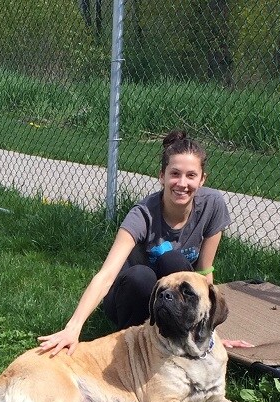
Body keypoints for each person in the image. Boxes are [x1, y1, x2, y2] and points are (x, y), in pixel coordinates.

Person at [38, 130, 250, 357]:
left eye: (191, 175)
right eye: (175, 174)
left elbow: (203, 275)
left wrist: (212, 336)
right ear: (162, 176)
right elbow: (106, 275)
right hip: (131, 293)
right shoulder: (142, 214)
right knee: (142, 277)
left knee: (173, 260)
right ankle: (131, 347)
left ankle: (179, 334)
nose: (182, 183)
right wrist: (73, 328)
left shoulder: (213, 204)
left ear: (202, 179)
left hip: (171, 299)